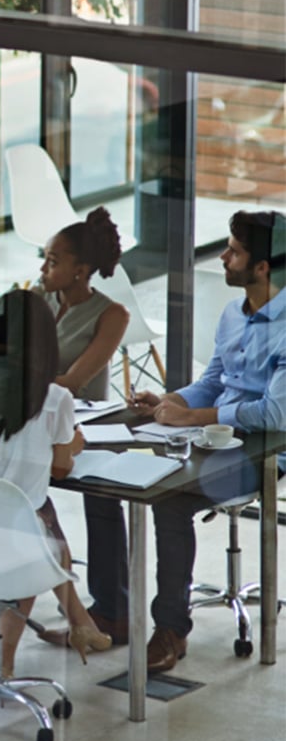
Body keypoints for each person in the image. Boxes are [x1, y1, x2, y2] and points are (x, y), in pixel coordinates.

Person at [130, 209, 286, 672]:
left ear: (262, 267)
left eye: (234, 251)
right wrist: (170, 399)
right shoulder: (231, 315)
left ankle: (170, 629)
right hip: (215, 436)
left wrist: (194, 415)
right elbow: (213, 381)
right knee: (145, 474)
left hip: (264, 452)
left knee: (170, 502)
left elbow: (277, 414)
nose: (223, 257)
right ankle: (119, 613)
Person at [0, 289, 112, 678]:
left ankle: (82, 624)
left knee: (36, 522)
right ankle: (5, 661)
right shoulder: (55, 400)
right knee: (35, 531)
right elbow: (61, 469)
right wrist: (73, 443)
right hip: (14, 547)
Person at [36, 206, 131, 644]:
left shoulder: (111, 315)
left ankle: (112, 611)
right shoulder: (37, 299)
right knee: (1, 481)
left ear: (82, 270)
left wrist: (18, 384)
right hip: (35, 419)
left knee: (104, 498)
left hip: (84, 428)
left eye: (53, 261)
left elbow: (73, 382)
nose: (43, 268)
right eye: (45, 258)